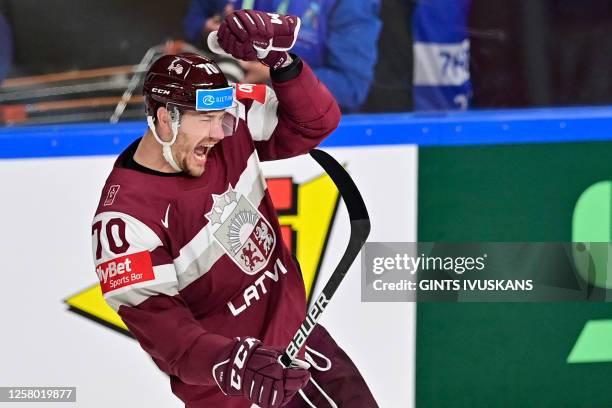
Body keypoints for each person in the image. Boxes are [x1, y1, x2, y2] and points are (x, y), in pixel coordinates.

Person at [91, 10, 377, 408]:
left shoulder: (228, 124)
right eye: (206, 119)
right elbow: (169, 339)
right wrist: (235, 364)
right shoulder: (123, 221)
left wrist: (281, 62)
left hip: (303, 345)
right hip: (235, 392)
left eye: (222, 118)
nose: (219, 132)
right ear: (163, 119)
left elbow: (317, 123)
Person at [183, 0, 381, 112]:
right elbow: (193, 20)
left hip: (308, 131)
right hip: (228, 115)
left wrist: (276, 70)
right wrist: (209, 30)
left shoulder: (351, 5)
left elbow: (351, 88)